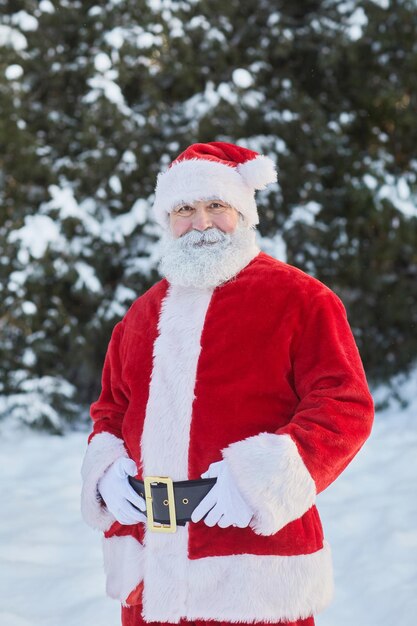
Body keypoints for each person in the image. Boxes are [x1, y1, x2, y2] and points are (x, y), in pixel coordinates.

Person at [80, 141, 374, 626]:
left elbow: (345, 406)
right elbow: (110, 411)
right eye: (184, 209)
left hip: (253, 575)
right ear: (167, 221)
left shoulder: (301, 300)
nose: (200, 223)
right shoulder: (140, 315)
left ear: (244, 212)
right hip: (149, 579)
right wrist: (106, 472)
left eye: (216, 206)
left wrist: (258, 481)